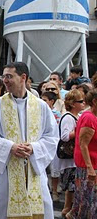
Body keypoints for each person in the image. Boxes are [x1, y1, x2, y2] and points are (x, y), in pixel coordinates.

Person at [0, 62, 59, 219]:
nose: (5, 80)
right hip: (6, 171)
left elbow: (52, 136)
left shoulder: (41, 106)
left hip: (33, 169)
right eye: (4, 76)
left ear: (23, 77)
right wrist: (10, 147)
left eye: (9, 76)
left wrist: (34, 148)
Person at [57, 89, 84, 218]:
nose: (83, 103)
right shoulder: (67, 117)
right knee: (71, 188)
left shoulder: (77, 117)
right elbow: (65, 136)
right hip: (69, 159)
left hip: (75, 159)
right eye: (81, 101)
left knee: (74, 187)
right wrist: (79, 130)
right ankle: (66, 210)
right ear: (73, 104)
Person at [71, 89, 97, 218]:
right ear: (94, 102)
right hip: (88, 167)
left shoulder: (92, 116)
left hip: (92, 165)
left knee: (86, 202)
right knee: (87, 203)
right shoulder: (89, 118)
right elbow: (83, 144)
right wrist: (90, 168)